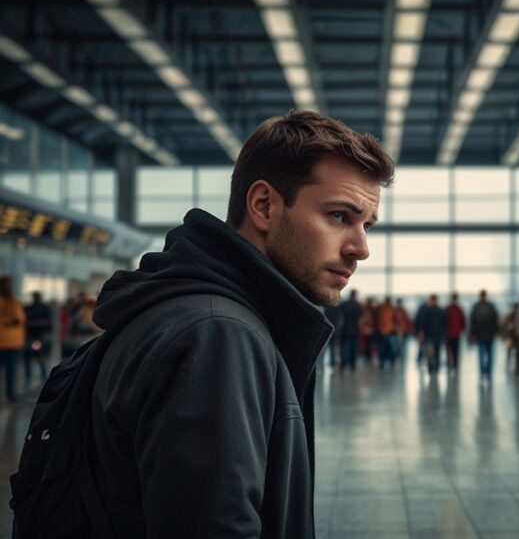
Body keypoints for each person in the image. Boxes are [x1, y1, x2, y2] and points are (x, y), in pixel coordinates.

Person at [86, 111, 394, 537]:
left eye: (367, 225)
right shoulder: (217, 335)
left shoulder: (191, 309)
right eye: (340, 216)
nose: (361, 248)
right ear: (264, 205)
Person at [0, 276, 24, 402]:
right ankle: (10, 396)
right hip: (12, 343)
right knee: (10, 372)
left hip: (10, 342)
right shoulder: (14, 302)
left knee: (10, 372)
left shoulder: (13, 301)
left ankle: (10, 395)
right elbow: (19, 319)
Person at [23, 291, 53, 387]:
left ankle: (31, 377)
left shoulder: (28, 308)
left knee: (33, 357)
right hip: (38, 336)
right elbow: (49, 323)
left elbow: (25, 322)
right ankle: (42, 377)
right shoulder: (45, 308)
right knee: (39, 357)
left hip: (35, 336)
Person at [469, 290, 499, 384]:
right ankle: (486, 373)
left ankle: (484, 373)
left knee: (483, 355)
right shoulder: (490, 306)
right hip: (487, 334)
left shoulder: (477, 307)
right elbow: (495, 320)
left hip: (482, 334)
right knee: (487, 355)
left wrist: (473, 333)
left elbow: (473, 321)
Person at [416, 294, 445, 375]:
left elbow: (443, 324)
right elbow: (422, 323)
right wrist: (422, 333)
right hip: (430, 336)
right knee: (430, 353)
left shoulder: (439, 311)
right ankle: (431, 368)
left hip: (436, 336)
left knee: (436, 353)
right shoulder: (429, 311)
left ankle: (435, 367)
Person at [339, 289, 363, 372]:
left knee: (344, 348)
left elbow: (340, 318)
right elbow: (361, 319)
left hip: (345, 330)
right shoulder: (358, 305)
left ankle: (343, 364)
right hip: (355, 330)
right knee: (353, 348)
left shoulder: (344, 305)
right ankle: (352, 365)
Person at [444, 293, 466, 373]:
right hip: (453, 334)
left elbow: (463, 321)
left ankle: (452, 365)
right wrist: (463, 329)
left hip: (451, 334)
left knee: (450, 351)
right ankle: (454, 366)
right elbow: (463, 321)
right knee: (454, 351)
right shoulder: (458, 309)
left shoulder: (448, 309)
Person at [376, 296, 396, 369]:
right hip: (386, 331)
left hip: (386, 332)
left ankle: (384, 362)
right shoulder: (390, 309)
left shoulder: (383, 309)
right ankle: (386, 362)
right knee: (388, 348)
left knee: (385, 348)